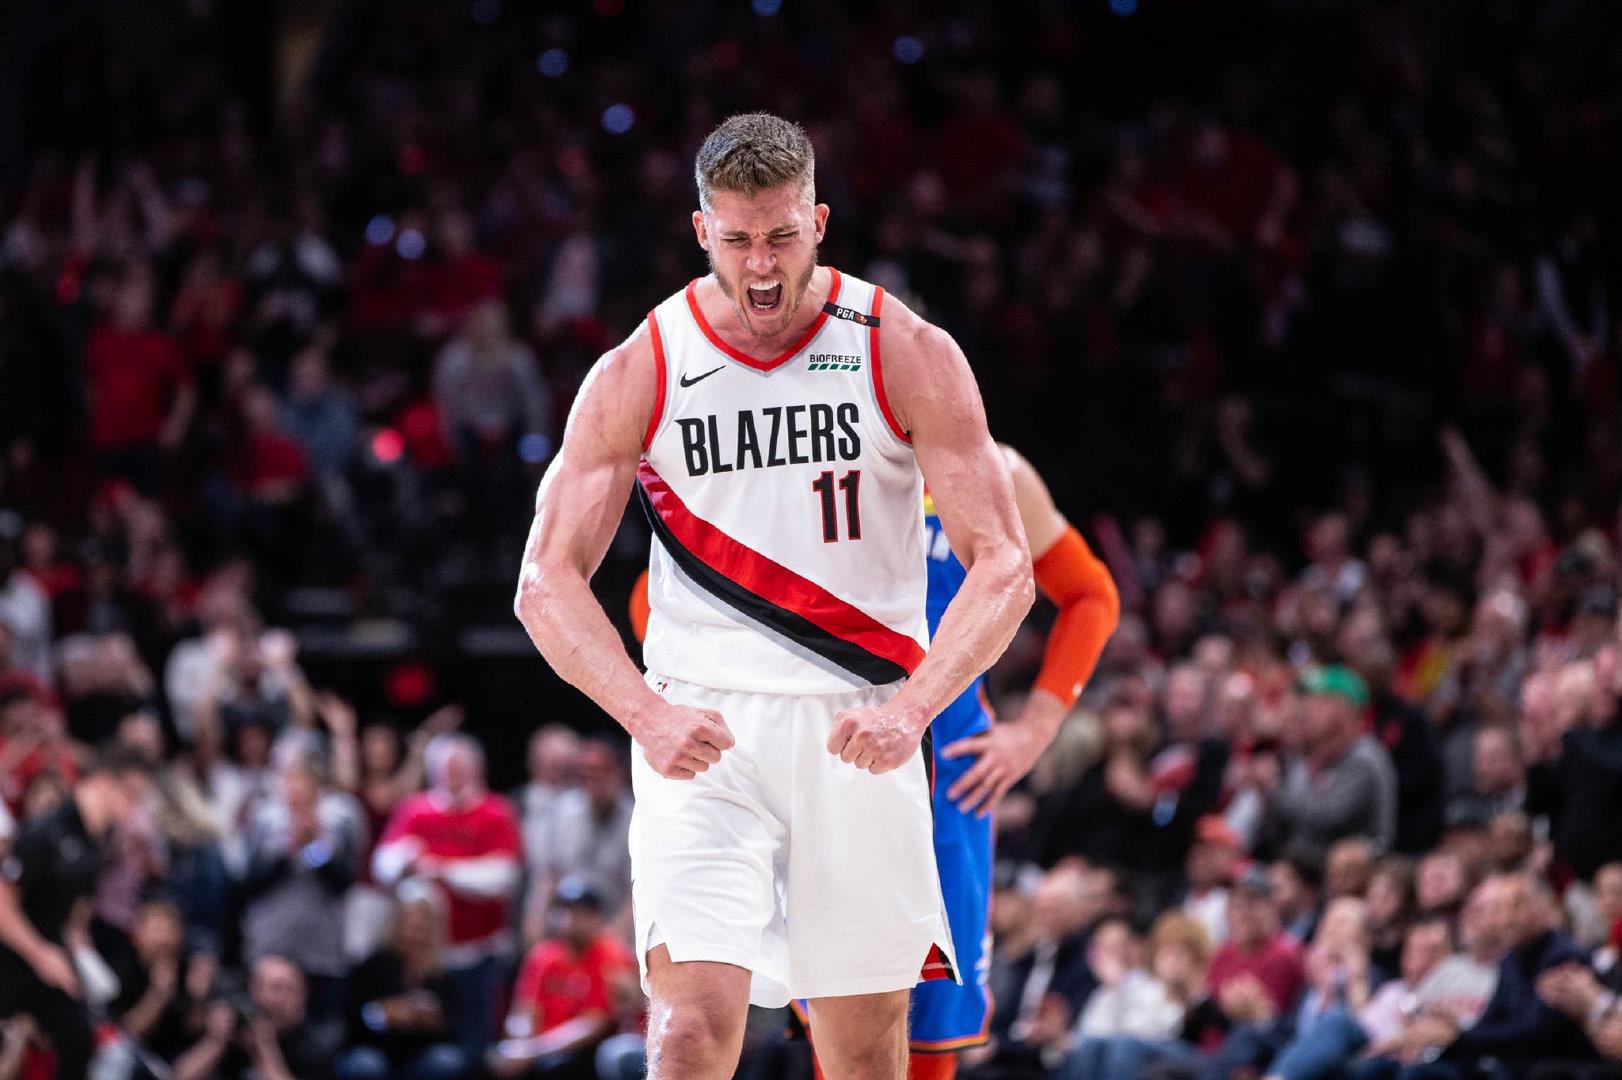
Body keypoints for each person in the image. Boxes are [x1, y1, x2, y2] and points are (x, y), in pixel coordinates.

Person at [512, 112, 1035, 1080]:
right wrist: (644, 715)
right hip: (703, 729)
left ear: (818, 222)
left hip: (860, 722)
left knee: (862, 1049)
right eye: (740, 239)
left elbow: (1005, 564)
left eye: (782, 237)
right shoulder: (644, 364)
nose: (761, 265)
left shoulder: (901, 347)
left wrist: (915, 710)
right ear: (702, 231)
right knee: (685, 1030)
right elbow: (543, 581)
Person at [624, 433, 1118, 1073]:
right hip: (829, 762)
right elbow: (658, 593)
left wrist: (1036, 728)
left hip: (948, 771)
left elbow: (1090, 595)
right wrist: (713, 690)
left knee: (933, 1020)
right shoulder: (799, 453)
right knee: (840, 1009)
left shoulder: (995, 470)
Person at [0, 743, 154, 1080]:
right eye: (131, 795)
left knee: (80, 1040)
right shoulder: (44, 831)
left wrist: (81, 962)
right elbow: (2, 905)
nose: (133, 808)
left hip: (51, 959)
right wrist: (41, 955)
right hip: (13, 955)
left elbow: (73, 915)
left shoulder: (98, 844)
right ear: (105, 782)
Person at [373, 733, 522, 1058]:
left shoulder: (495, 812)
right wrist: (405, 858)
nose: (451, 776)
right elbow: (382, 867)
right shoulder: (414, 810)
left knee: (474, 1044)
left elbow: (502, 877)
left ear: (476, 769)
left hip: (476, 953)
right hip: (424, 959)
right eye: (445, 768)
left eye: (458, 768)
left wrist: (443, 871)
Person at [491, 877, 637, 1080]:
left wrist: (532, 1050)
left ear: (596, 917)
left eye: (580, 913)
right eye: (564, 911)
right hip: (541, 1047)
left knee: (560, 1066)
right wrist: (519, 1043)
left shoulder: (610, 955)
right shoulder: (542, 955)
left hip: (582, 1051)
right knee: (500, 1057)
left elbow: (594, 1025)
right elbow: (524, 1011)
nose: (570, 920)